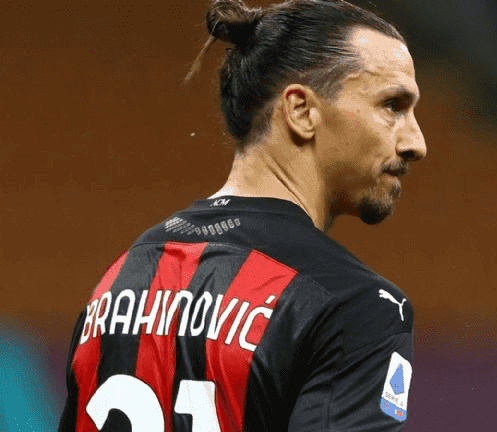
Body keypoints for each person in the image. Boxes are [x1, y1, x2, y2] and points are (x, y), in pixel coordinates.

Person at [58, 0, 426, 430]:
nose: (416, 143)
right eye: (392, 105)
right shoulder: (354, 307)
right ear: (301, 111)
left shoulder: (122, 279)